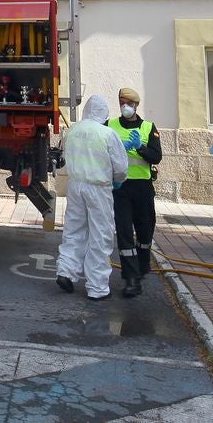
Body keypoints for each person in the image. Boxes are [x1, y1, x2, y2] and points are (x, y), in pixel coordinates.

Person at [56, 94, 129, 301]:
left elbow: (63, 156)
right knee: (100, 235)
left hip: (75, 186)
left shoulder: (72, 130)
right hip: (98, 189)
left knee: (73, 230)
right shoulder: (107, 134)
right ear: (104, 113)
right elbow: (121, 167)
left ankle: (66, 272)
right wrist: (117, 180)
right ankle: (97, 287)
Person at [107, 87, 162, 299]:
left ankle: (142, 263)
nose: (124, 107)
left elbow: (156, 156)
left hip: (143, 187)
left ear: (135, 105)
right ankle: (131, 278)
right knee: (124, 231)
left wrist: (140, 147)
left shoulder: (148, 127)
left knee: (145, 229)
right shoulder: (110, 125)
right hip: (120, 187)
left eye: (128, 103)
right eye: (121, 103)